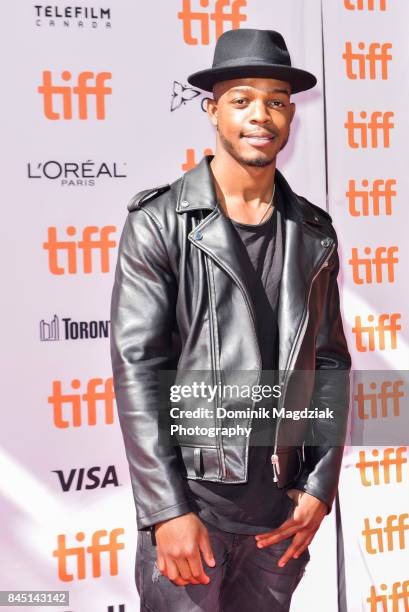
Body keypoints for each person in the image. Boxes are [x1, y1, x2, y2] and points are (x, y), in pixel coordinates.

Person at [110, 28, 351, 612]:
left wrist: (318, 487)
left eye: (275, 101)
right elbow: (140, 370)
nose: (260, 116)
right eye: (241, 99)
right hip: (196, 513)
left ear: (291, 115)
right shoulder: (162, 221)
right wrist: (168, 512)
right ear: (212, 110)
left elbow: (331, 363)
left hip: (278, 521)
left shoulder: (315, 231)